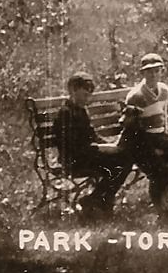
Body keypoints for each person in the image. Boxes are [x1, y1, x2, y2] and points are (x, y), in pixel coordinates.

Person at [122, 52, 168, 222]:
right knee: (159, 170)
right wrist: (152, 147)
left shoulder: (164, 90)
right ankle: (161, 204)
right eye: (149, 72)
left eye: (156, 71)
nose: (153, 75)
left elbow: (163, 115)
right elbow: (132, 127)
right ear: (143, 73)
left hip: (160, 135)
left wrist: (167, 136)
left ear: (162, 71)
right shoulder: (136, 96)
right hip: (142, 139)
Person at [53, 71, 131, 218]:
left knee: (124, 158)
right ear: (72, 90)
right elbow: (74, 147)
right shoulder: (65, 114)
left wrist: (111, 145)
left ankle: (98, 199)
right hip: (73, 160)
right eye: (84, 95)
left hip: (87, 155)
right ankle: (98, 200)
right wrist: (102, 148)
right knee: (121, 164)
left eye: (89, 96)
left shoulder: (81, 111)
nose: (86, 99)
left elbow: (92, 136)